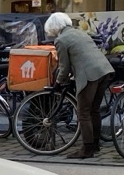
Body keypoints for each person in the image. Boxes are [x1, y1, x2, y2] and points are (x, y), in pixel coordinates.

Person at [46, 11, 112, 160]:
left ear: (54, 27)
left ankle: (87, 149)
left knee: (83, 112)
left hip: (89, 75)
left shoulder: (61, 40)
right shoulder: (80, 33)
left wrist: (57, 83)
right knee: (94, 110)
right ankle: (95, 144)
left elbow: (64, 66)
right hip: (103, 71)